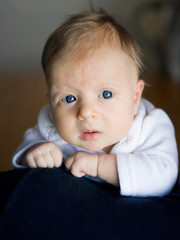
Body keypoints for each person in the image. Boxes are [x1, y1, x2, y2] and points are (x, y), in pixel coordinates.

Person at [12, 10, 178, 197]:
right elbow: (24, 155)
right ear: (50, 101)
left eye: (106, 94)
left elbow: (164, 175)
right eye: (69, 98)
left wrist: (101, 166)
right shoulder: (51, 127)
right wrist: (34, 153)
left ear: (135, 97)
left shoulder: (149, 126)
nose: (86, 112)